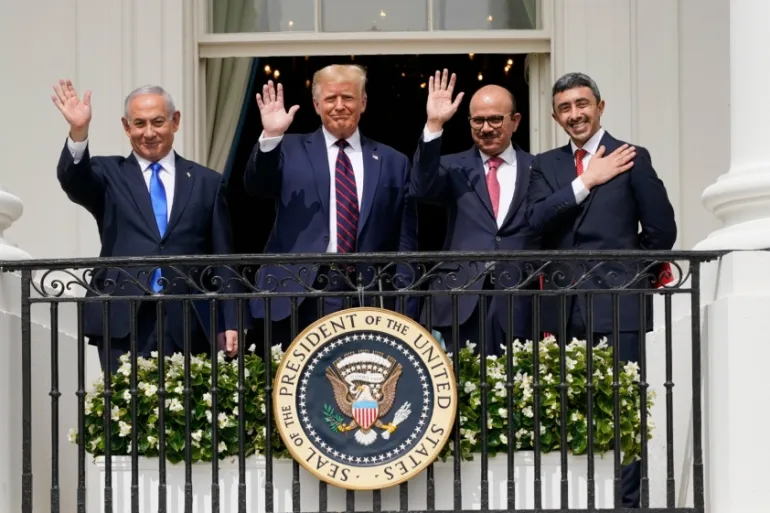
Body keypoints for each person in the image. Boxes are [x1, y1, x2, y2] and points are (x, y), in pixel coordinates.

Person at [526, 72, 677, 508]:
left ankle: (626, 504)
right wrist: (587, 180)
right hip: (561, 308)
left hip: (618, 305)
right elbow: (536, 221)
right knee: (566, 407)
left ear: (600, 106)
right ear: (555, 117)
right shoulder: (545, 166)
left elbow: (661, 231)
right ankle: (576, 500)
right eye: (565, 108)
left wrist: (628, 276)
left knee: (622, 409)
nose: (575, 114)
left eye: (582, 104)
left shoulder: (632, 157)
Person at [53, 80, 241, 373]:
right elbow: (73, 180)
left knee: (189, 402)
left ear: (175, 121)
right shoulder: (108, 173)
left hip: (190, 317)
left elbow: (223, 257)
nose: (149, 132)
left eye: (158, 122)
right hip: (124, 314)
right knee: (124, 401)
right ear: (126, 127)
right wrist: (79, 131)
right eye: (139, 123)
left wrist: (231, 320)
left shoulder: (207, 182)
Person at [243, 65, 418, 349]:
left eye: (348, 97)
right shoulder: (287, 149)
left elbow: (404, 241)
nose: (339, 106)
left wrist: (405, 307)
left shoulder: (393, 162)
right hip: (297, 295)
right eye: (330, 98)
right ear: (316, 105)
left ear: (363, 103)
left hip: (366, 296)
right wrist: (271, 136)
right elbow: (257, 188)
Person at [410, 69, 540, 356]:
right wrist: (434, 124)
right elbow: (420, 188)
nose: (486, 128)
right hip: (459, 298)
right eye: (478, 121)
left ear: (516, 121)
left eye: (495, 119)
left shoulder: (538, 168)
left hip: (519, 300)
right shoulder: (453, 166)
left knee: (516, 381)